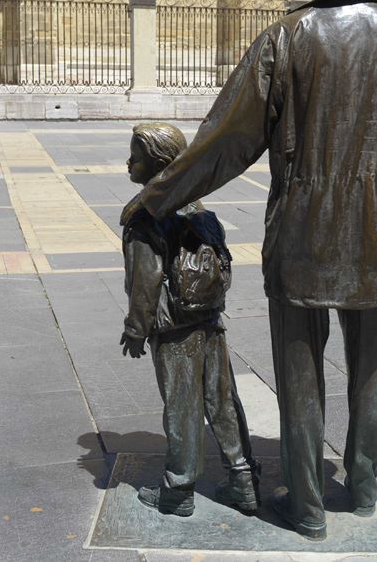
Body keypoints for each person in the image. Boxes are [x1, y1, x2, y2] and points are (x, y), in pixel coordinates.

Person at [121, 0, 377, 540]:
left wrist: (155, 197)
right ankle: (363, 486)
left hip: (301, 238)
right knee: (373, 372)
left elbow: (224, 140)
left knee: (300, 378)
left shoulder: (286, 38)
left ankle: (306, 506)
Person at [121, 122, 260, 518]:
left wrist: (136, 329)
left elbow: (145, 281)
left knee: (182, 406)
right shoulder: (196, 206)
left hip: (174, 327)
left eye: (136, 157)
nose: (128, 162)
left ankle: (178, 490)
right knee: (222, 400)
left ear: (159, 164)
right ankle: (243, 481)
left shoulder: (146, 215)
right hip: (209, 319)